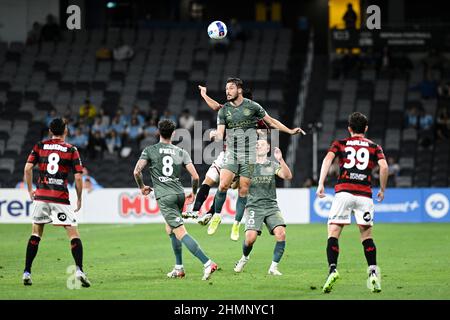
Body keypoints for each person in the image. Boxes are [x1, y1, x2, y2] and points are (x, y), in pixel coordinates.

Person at [203, 78, 303, 237]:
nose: (227, 91)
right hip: (232, 153)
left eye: (230, 88)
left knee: (243, 190)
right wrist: (215, 135)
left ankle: (236, 224)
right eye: (226, 89)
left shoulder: (253, 107)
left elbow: (271, 122)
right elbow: (220, 133)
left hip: (249, 155)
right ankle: (216, 216)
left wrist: (290, 131)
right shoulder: (224, 110)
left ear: (239, 90)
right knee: (223, 185)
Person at [133, 119, 218, 280]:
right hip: (179, 194)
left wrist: (142, 187)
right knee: (170, 229)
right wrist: (193, 193)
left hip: (165, 196)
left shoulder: (150, 150)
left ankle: (207, 263)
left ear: (158, 132)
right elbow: (195, 176)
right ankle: (179, 268)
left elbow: (137, 172)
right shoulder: (181, 152)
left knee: (180, 232)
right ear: (173, 133)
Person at [316, 112, 388, 293]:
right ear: (366, 128)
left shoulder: (340, 143)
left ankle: (332, 269)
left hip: (344, 193)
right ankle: (372, 273)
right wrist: (382, 189)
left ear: (349, 129)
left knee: (333, 232)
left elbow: (327, 160)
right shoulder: (374, 146)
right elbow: (384, 166)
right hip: (364, 195)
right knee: (367, 237)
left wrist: (321, 183)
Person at [22, 118, 90, 287]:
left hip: (42, 196)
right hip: (60, 197)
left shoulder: (40, 146)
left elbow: (27, 168)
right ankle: (80, 270)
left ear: (50, 131)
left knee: (36, 234)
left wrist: (30, 189)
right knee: (73, 234)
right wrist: (80, 197)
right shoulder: (71, 149)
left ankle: (27, 272)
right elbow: (78, 177)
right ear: (65, 131)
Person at [233, 138, 292, 276]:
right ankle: (244, 257)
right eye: (256, 144)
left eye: (262, 144)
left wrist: (281, 160)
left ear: (268, 148)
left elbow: (287, 176)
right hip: (254, 206)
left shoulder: (272, 165)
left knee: (281, 233)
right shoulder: (248, 166)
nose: (258, 146)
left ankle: (273, 267)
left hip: (271, 206)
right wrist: (236, 179)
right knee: (250, 238)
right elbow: (234, 186)